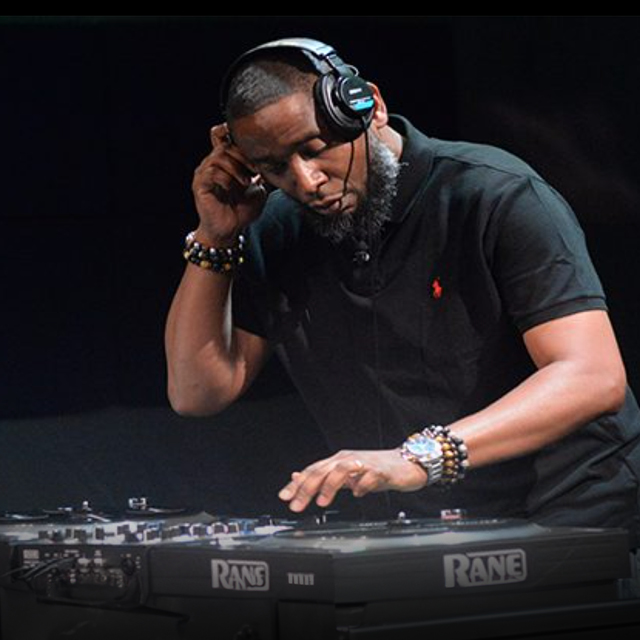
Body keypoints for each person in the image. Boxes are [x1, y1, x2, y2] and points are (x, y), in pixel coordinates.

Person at [164, 38, 640, 548]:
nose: (305, 180)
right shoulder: (278, 229)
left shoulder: (495, 196)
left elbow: (592, 376)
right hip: (427, 522)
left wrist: (419, 457)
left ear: (369, 106)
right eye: (276, 167)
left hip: (573, 508)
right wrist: (215, 237)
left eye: (314, 148)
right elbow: (197, 393)